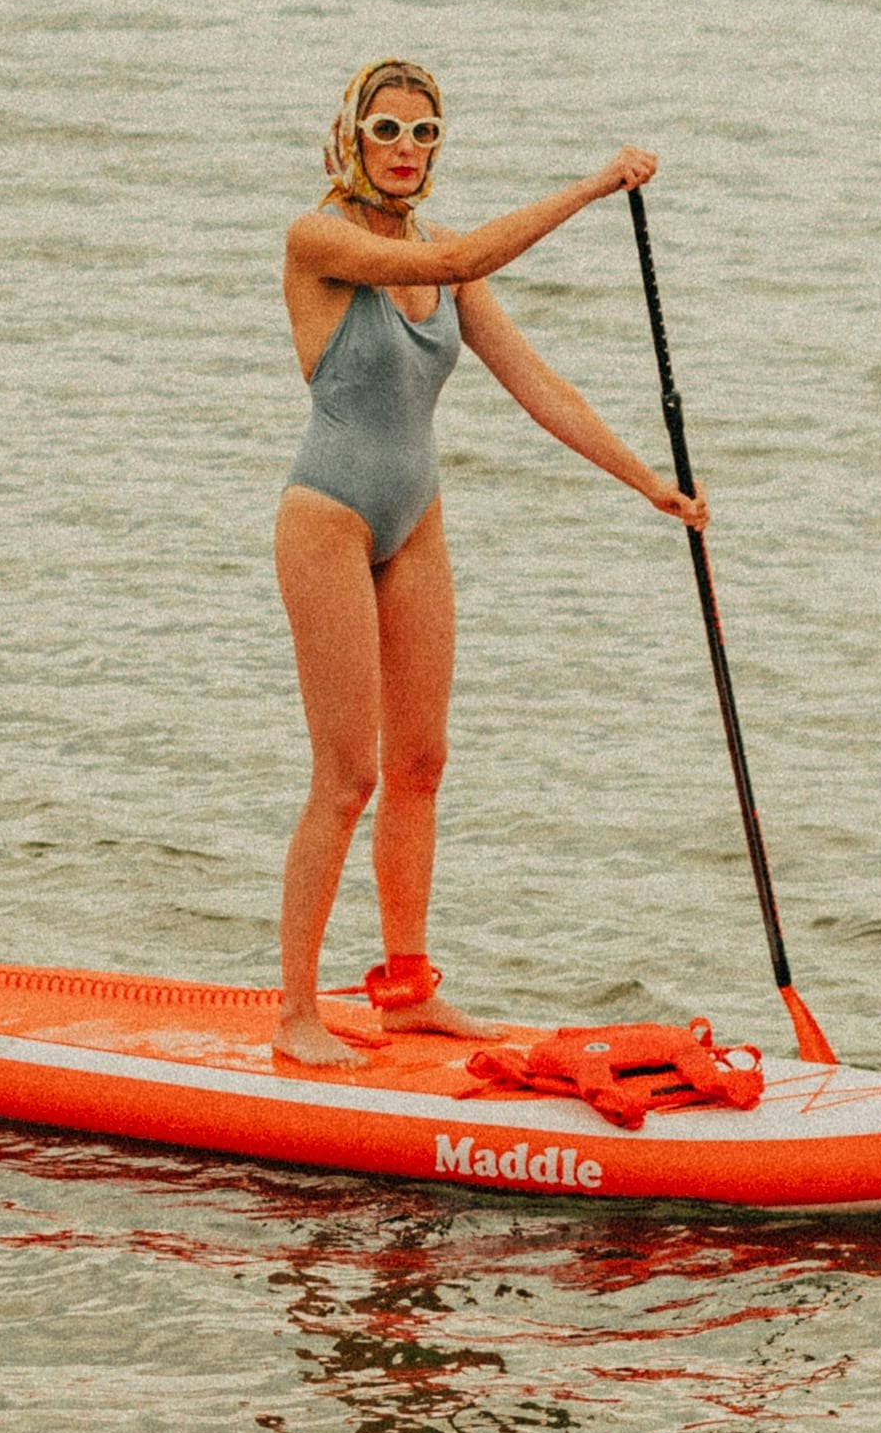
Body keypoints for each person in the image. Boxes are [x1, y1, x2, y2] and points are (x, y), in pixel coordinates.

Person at [270, 59, 708, 1069]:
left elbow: (537, 386)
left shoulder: (436, 263)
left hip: (412, 518)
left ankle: (405, 992)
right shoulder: (318, 241)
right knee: (347, 776)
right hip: (326, 516)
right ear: (349, 137)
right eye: (385, 130)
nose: (403, 151)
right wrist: (594, 186)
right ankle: (294, 1011)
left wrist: (649, 486)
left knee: (421, 765)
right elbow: (469, 254)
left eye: (423, 135)